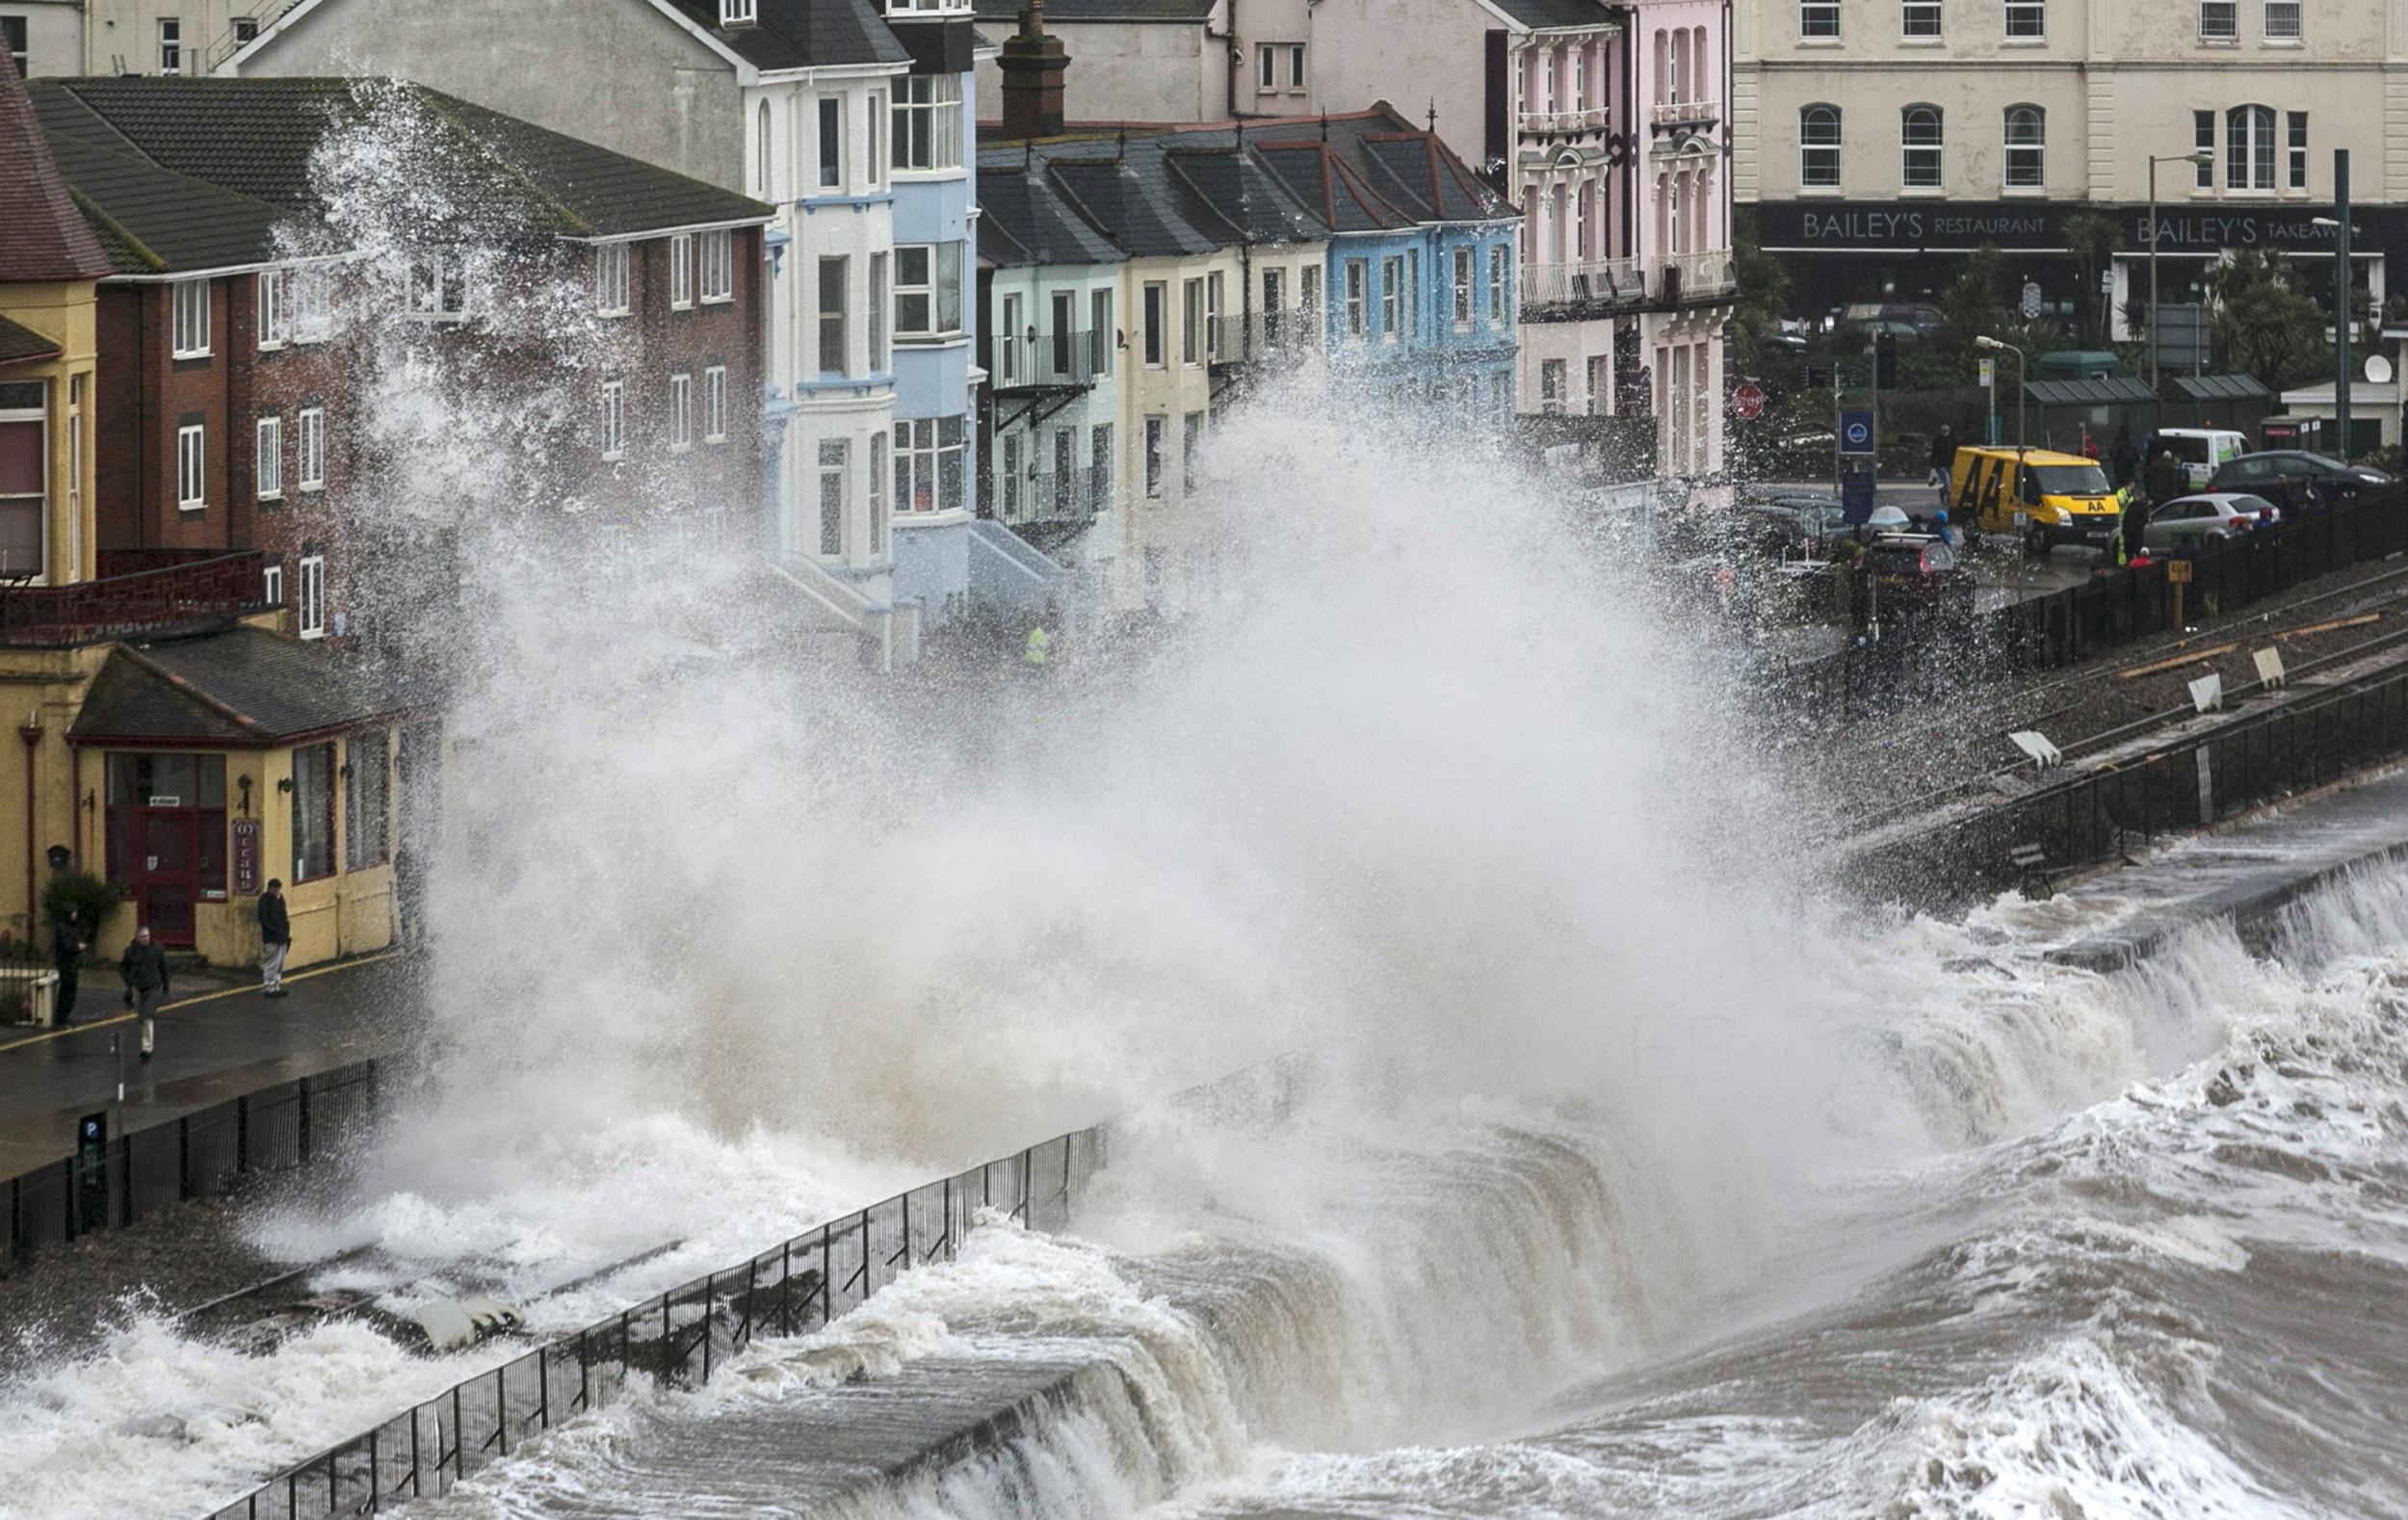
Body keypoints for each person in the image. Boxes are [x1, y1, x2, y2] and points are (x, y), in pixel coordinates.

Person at [119, 926, 170, 1061]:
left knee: (147, 1016)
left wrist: (166, 986)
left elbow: (163, 968)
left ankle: (147, 1048)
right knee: (142, 1018)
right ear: (137, 938)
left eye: (147, 936)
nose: (146, 939)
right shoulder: (130, 952)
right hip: (137, 988)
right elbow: (123, 968)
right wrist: (129, 983)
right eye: (143, 937)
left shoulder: (157, 950)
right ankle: (145, 1043)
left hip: (154, 987)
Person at [257, 878, 291, 997]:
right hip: (271, 937)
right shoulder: (264, 899)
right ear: (270, 888)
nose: (278, 891)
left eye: (279, 888)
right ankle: (269, 987)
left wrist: (286, 931)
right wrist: (275, 930)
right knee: (271, 963)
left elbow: (284, 915)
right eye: (276, 888)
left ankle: (276, 986)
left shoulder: (280, 899)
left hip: (282, 936)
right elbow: (263, 919)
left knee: (279, 963)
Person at [49, 904, 81, 1027]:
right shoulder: (63, 928)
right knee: (67, 991)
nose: (75, 915)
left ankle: (64, 1016)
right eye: (73, 913)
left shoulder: (69, 927)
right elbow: (66, 946)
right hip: (66, 963)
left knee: (70, 990)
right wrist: (78, 947)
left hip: (71, 963)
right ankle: (60, 1018)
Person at [1927, 426, 1956, 490]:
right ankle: (1945, 493)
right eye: (1944, 431)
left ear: (1949, 431)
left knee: (1951, 484)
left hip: (1951, 464)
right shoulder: (1937, 440)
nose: (1945, 432)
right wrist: (1933, 466)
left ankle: (1944, 493)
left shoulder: (1952, 440)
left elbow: (1955, 452)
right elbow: (1934, 453)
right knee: (1947, 481)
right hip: (1941, 465)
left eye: (1946, 431)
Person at [2111, 424, 2137, 490]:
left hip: (2120, 472)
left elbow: (2112, 454)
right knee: (2129, 491)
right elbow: (2137, 457)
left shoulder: (2117, 443)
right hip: (2129, 472)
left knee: (2120, 490)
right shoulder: (2131, 444)